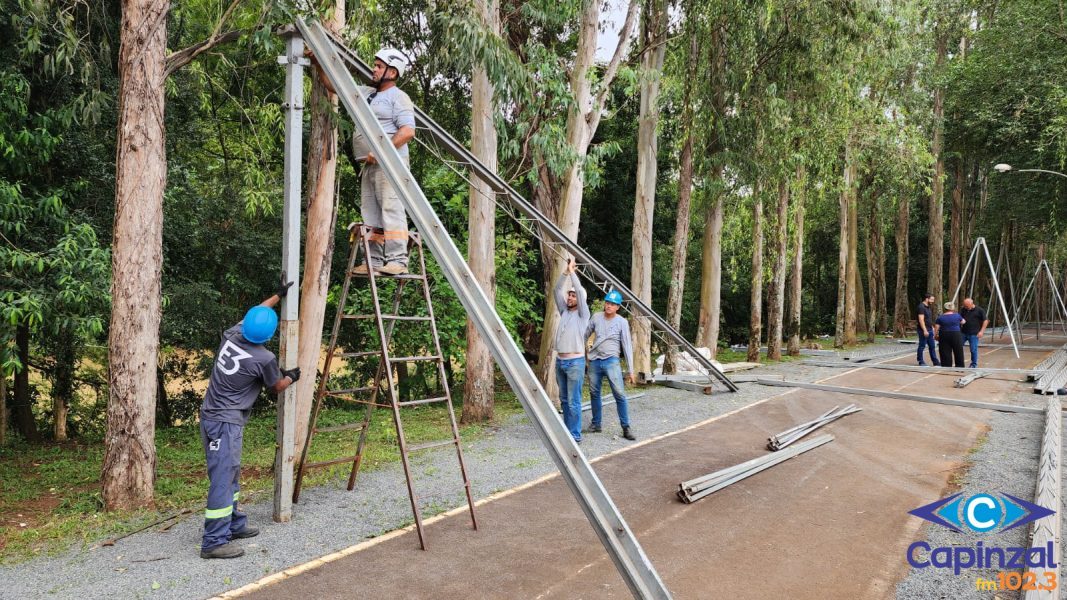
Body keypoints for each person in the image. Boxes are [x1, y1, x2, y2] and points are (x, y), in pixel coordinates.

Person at [199, 277, 301, 559]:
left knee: (229, 473)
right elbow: (276, 386)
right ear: (269, 335)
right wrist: (291, 377)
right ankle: (214, 541)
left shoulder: (232, 335)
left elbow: (254, 314)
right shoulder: (264, 358)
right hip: (225, 423)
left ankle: (232, 523)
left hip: (212, 416)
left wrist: (276, 296)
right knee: (222, 478)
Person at [308, 46, 416, 276]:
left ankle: (397, 260)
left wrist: (381, 150)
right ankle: (375, 261)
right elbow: (334, 86)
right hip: (369, 165)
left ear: (393, 72)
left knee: (391, 207)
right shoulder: (367, 93)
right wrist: (318, 63)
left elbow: (407, 131)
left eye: (379, 66)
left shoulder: (399, 98)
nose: (374, 70)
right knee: (371, 212)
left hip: (390, 165)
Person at [584, 290, 637, 441]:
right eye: (607, 302)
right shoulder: (596, 317)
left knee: (619, 394)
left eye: (612, 304)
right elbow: (584, 334)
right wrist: (581, 354)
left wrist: (631, 371)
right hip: (595, 360)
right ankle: (596, 424)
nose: (608, 306)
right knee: (594, 393)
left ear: (617, 307)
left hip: (611, 361)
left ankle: (626, 427)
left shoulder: (622, 322)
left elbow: (626, 346)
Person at [554, 258, 590, 444]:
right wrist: (565, 273)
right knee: (564, 400)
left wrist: (574, 272)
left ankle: (575, 435)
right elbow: (556, 291)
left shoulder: (584, 315)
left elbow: (580, 295)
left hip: (575, 362)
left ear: (580, 299)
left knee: (574, 400)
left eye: (574, 296)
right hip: (560, 361)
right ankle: (567, 432)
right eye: (569, 295)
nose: (569, 298)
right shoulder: (565, 311)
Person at [933, 301, 966, 368]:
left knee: (945, 351)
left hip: (944, 334)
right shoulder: (957, 315)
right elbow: (963, 322)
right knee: (958, 350)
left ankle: (946, 366)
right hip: (955, 334)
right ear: (953, 308)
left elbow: (936, 327)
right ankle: (960, 367)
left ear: (945, 308)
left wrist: (935, 335)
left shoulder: (940, 317)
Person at [960, 298, 990, 368]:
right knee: (958, 347)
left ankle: (973, 364)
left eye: (967, 306)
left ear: (972, 304)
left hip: (974, 334)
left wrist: (981, 331)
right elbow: (959, 318)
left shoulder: (980, 310)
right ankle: (960, 363)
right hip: (963, 333)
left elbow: (985, 321)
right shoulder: (963, 310)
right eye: (964, 306)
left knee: (973, 349)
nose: (965, 307)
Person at [916, 293, 940, 366]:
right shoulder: (921, 307)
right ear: (927, 299)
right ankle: (920, 361)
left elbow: (928, 319)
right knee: (922, 345)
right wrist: (924, 330)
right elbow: (921, 320)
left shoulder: (928, 307)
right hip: (923, 330)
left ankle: (935, 361)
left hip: (929, 329)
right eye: (931, 299)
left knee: (932, 346)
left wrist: (932, 327)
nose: (932, 301)